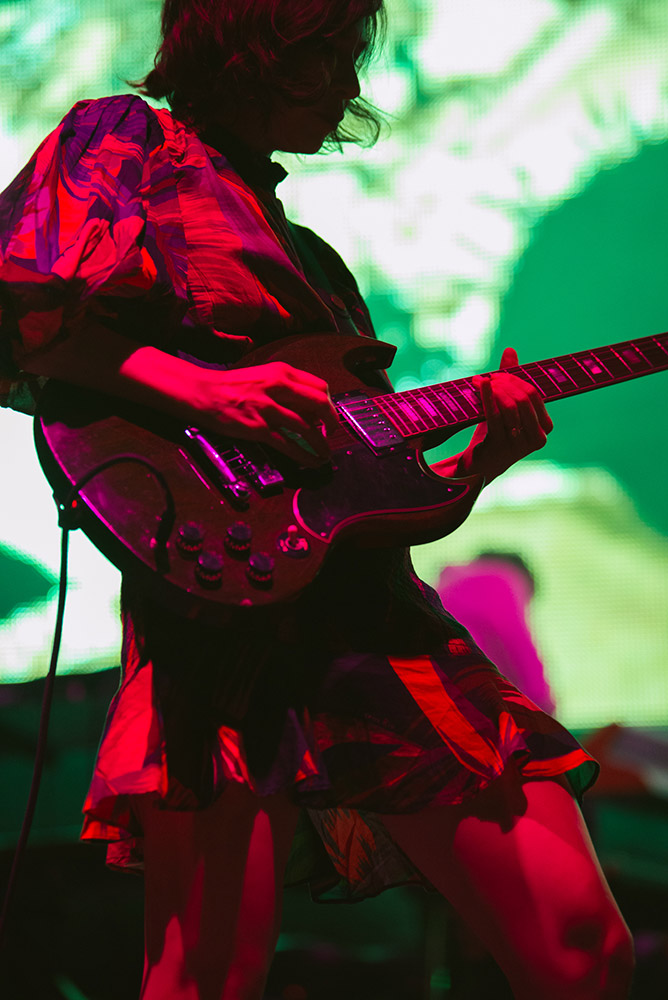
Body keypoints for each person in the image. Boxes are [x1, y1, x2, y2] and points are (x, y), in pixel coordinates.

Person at [0, 2, 634, 998]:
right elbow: (17, 318)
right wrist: (204, 387)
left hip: (372, 623)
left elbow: (365, 485)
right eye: (329, 55)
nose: (349, 87)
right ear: (252, 49)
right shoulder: (122, 142)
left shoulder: (317, 267)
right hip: (217, 625)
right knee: (205, 979)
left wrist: (477, 462)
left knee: (582, 947)